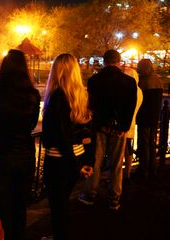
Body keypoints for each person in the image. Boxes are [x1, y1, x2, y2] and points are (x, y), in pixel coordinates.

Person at [0, 49, 40, 240]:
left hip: (0, 156)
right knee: (20, 205)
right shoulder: (32, 95)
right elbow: (32, 124)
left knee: (0, 206)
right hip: (25, 155)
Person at [42, 53, 93, 240]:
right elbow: (85, 133)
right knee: (63, 202)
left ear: (57, 70)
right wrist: (84, 162)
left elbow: (61, 137)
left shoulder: (57, 97)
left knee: (58, 205)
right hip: (76, 156)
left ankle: (58, 236)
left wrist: (77, 164)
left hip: (59, 160)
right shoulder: (80, 95)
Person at [78, 50, 136, 211]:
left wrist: (101, 123)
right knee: (116, 164)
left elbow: (92, 105)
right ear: (119, 62)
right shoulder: (129, 82)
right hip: (119, 129)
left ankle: (90, 195)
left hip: (99, 127)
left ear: (104, 62)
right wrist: (123, 127)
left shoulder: (94, 81)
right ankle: (114, 199)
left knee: (95, 162)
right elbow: (130, 107)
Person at [136, 58, 163, 178]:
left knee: (144, 143)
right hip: (154, 117)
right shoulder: (157, 80)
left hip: (145, 117)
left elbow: (141, 101)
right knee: (151, 143)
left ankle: (143, 169)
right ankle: (152, 167)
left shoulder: (144, 82)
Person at [122, 67, 143, 183]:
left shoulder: (126, 90)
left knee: (119, 153)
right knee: (129, 151)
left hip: (122, 127)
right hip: (131, 126)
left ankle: (119, 175)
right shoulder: (139, 91)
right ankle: (128, 173)